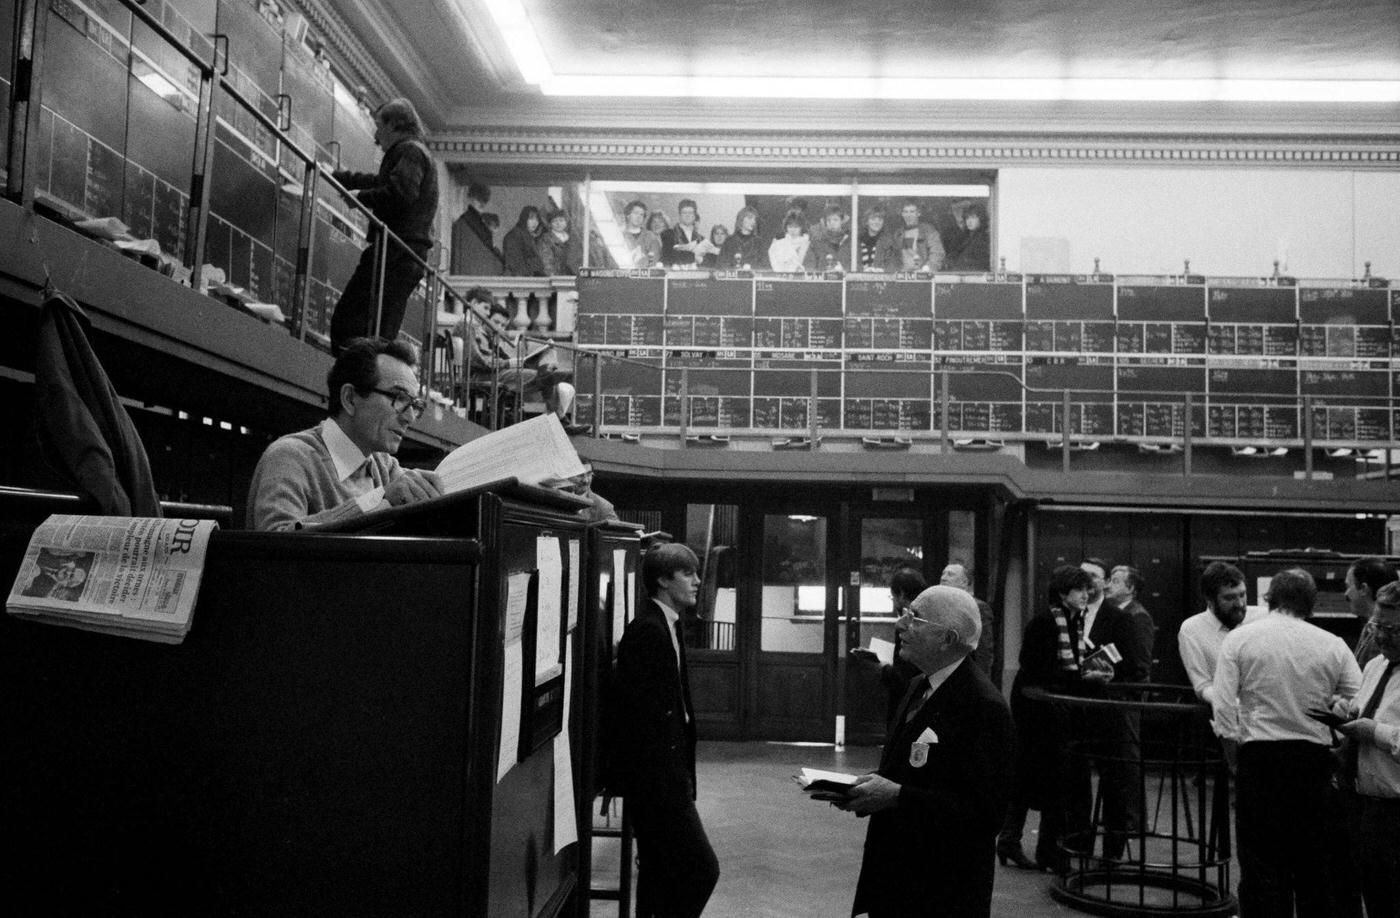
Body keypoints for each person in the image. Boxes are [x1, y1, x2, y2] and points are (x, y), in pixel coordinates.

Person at [841, 585, 1014, 918]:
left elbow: (985, 814)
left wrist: (898, 795)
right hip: (900, 880)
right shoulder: (920, 685)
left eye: (915, 618)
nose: (901, 625)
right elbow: (915, 769)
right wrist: (873, 787)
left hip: (941, 891)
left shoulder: (983, 706)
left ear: (946, 639)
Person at [1212, 568, 1362, 918]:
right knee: (1312, 862)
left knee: (1260, 863)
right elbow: (1359, 700)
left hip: (1259, 758)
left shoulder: (1240, 639)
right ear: (1310, 602)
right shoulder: (1332, 644)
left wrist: (1235, 761)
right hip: (1312, 760)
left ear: (1268, 598)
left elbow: (1223, 710)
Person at [613, 543, 720, 918]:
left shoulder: (667, 624)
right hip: (658, 783)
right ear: (662, 580)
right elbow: (642, 722)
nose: (697, 581)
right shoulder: (648, 631)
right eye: (687, 574)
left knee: (658, 875)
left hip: (669, 779)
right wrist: (670, 784)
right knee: (702, 869)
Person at [247, 337, 443, 531]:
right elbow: (275, 545)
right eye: (398, 398)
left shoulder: (383, 465)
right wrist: (377, 501)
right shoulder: (289, 457)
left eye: (415, 405)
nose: (409, 417)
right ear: (349, 398)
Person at [999, 564, 1114, 872]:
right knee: (1048, 780)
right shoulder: (1045, 623)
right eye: (1079, 590)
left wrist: (1086, 674)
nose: (1086, 595)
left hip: (1051, 710)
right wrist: (1083, 676)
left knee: (1033, 778)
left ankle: (1016, 842)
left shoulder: (1073, 622)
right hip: (1037, 711)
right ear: (1063, 593)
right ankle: (1046, 852)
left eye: (1087, 589)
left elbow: (1065, 670)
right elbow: (1035, 667)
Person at [328, 98, 438, 355]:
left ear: (395, 124)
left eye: (379, 126)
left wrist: (359, 199)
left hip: (396, 250)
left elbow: (399, 193)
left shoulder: (409, 150)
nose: (376, 136)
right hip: (409, 253)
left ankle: (355, 376)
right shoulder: (417, 152)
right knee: (380, 329)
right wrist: (341, 179)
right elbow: (382, 182)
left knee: (350, 325)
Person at [1335, 580, 1400, 918]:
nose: (1380, 637)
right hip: (1365, 808)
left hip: (1396, 813)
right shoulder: (1376, 666)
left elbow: (1377, 730)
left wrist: (1377, 733)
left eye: (1392, 628)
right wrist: (1345, 711)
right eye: (1377, 626)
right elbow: (1363, 711)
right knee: (1375, 899)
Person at [1093, 564, 1156, 859]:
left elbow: (1141, 663)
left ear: (1131, 588)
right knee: (1124, 758)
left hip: (1127, 697)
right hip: (1122, 695)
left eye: (1116, 581)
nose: (1108, 585)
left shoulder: (1137, 616)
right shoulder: (1122, 614)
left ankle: (1133, 821)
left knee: (1128, 757)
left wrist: (1131, 692)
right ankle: (1128, 819)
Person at [463, 288, 577, 425]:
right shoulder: (470, 326)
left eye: (503, 325)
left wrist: (516, 361)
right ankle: (558, 418)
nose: (499, 328)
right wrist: (509, 363)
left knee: (546, 358)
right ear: (474, 304)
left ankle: (556, 412)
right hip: (485, 375)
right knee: (545, 378)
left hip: (495, 372)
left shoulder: (481, 331)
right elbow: (481, 361)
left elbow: (493, 358)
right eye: (486, 309)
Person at [1178, 561, 1263, 706]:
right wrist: (1234, 705)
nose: (1240, 604)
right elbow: (1203, 685)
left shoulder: (1263, 617)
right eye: (1229, 598)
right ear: (1210, 601)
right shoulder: (1192, 630)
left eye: (1242, 595)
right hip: (1223, 713)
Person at [938, 561, 995, 674]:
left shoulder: (977, 607)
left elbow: (983, 650)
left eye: (950, 574)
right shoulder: (940, 606)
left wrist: (982, 682)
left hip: (967, 673)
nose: (943, 578)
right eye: (943, 573)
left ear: (964, 582)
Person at [1345, 557, 1398, 667]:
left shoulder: (1381, 638)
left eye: (1348, 586)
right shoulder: (1370, 628)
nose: (1346, 594)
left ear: (1363, 588)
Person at [450, 180, 502, 274]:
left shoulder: (473, 222)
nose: (482, 203)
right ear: (470, 198)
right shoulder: (465, 223)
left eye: (485, 200)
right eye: (478, 199)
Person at [894, 200, 944, 273]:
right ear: (902, 214)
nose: (908, 215)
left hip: (922, 275)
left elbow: (937, 252)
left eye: (912, 212)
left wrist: (927, 268)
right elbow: (893, 258)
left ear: (918, 213)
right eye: (905, 212)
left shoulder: (928, 230)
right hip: (903, 276)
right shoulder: (898, 234)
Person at [717, 206, 768, 271]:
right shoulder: (729, 242)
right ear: (741, 219)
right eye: (750, 218)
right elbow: (721, 266)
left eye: (755, 219)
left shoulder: (759, 243)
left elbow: (765, 266)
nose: (753, 221)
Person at [501, 205, 547, 276]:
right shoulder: (514, 235)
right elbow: (514, 264)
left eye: (537, 219)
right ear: (524, 219)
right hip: (520, 280)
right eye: (531, 218)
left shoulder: (529, 236)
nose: (535, 222)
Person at [945, 201, 990, 272]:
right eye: (967, 218)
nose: (969, 221)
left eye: (973, 218)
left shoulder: (984, 240)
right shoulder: (963, 238)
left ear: (981, 219)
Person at [805, 203, 850, 272]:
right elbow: (809, 267)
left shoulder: (849, 242)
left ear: (842, 221)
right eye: (829, 220)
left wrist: (844, 271)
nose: (832, 223)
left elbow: (856, 268)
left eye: (835, 220)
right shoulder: (816, 242)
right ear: (825, 222)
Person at [537, 208, 583, 276]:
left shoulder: (572, 239)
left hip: (573, 278)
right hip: (556, 280)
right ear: (550, 224)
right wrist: (555, 278)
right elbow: (546, 263)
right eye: (555, 221)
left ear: (566, 222)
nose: (558, 223)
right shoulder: (546, 239)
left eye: (561, 220)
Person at [661, 199, 705, 268]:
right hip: (675, 276)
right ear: (679, 215)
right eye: (684, 212)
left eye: (690, 213)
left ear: (694, 216)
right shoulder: (668, 234)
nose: (687, 215)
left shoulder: (701, 239)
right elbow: (667, 259)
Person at [856, 206, 899, 273]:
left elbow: (892, 265)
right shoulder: (857, 241)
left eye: (880, 219)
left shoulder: (889, 242)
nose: (876, 222)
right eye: (873, 219)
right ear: (866, 221)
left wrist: (883, 271)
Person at [621, 200, 662, 268]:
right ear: (628, 215)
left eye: (641, 214)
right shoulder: (619, 236)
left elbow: (654, 261)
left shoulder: (651, 237)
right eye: (635, 213)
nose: (638, 217)